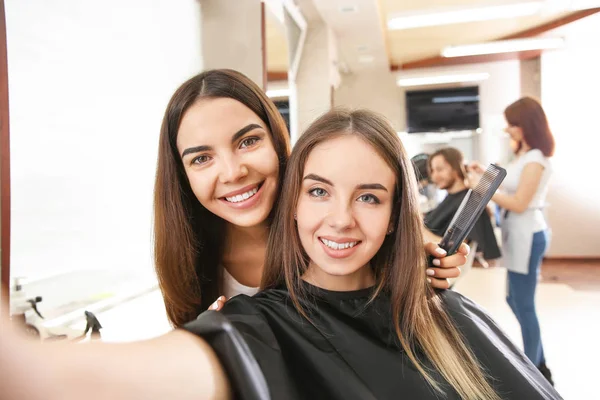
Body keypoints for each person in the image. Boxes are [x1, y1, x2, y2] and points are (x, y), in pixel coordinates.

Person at [0, 108, 561, 400]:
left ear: (397, 217)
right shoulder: (257, 330)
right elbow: (69, 384)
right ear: (292, 203)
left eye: (368, 196)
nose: (340, 218)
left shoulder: (443, 312)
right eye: (318, 191)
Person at [152, 69, 466, 326]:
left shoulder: (329, 230)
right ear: (182, 175)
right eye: (201, 159)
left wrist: (423, 267)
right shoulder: (187, 261)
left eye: (248, 141)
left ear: (277, 140)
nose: (233, 172)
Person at [468, 96, 555, 385]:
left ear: (526, 125)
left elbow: (519, 202)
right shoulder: (521, 156)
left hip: (528, 234)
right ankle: (538, 359)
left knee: (524, 304)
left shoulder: (536, 160)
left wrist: (481, 191)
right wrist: (484, 175)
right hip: (516, 233)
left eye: (513, 124)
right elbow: (510, 186)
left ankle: (535, 370)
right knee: (512, 298)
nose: (509, 130)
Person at [423, 147, 501, 262]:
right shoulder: (451, 197)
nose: (434, 176)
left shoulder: (469, 204)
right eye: (432, 171)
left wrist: (418, 228)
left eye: (439, 170)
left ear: (456, 168)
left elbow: (452, 248)